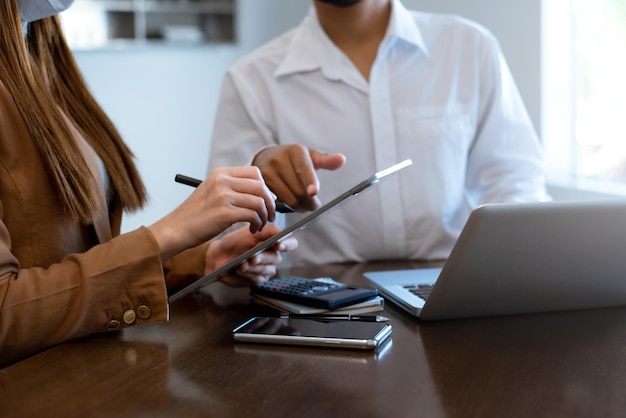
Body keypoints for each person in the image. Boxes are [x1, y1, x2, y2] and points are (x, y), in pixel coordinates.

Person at [0, 0, 297, 366]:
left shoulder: (37, 62)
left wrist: (199, 261)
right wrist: (165, 235)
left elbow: (68, 261)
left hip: (86, 376)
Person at [208, 0, 550, 267]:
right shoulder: (251, 81)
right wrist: (259, 191)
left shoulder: (470, 49)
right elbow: (231, 242)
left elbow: (516, 185)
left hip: (453, 287)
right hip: (317, 307)